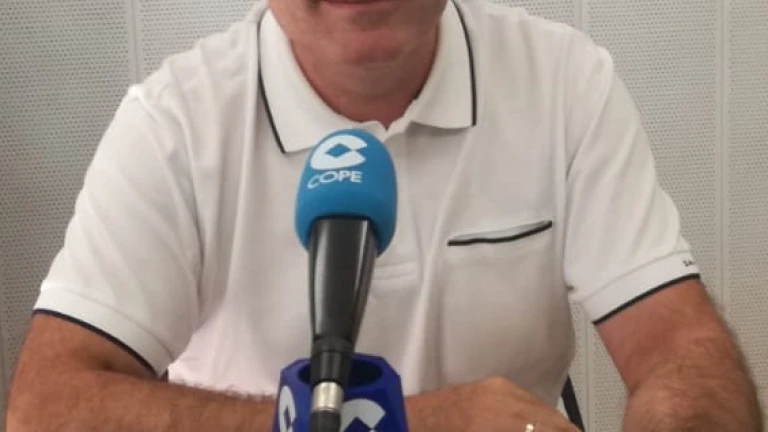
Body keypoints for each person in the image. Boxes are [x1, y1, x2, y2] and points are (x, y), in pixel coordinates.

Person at [6, 0, 763, 430]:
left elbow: (679, 345)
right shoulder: (171, 124)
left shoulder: (566, 80)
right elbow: (46, 408)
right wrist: (410, 423)